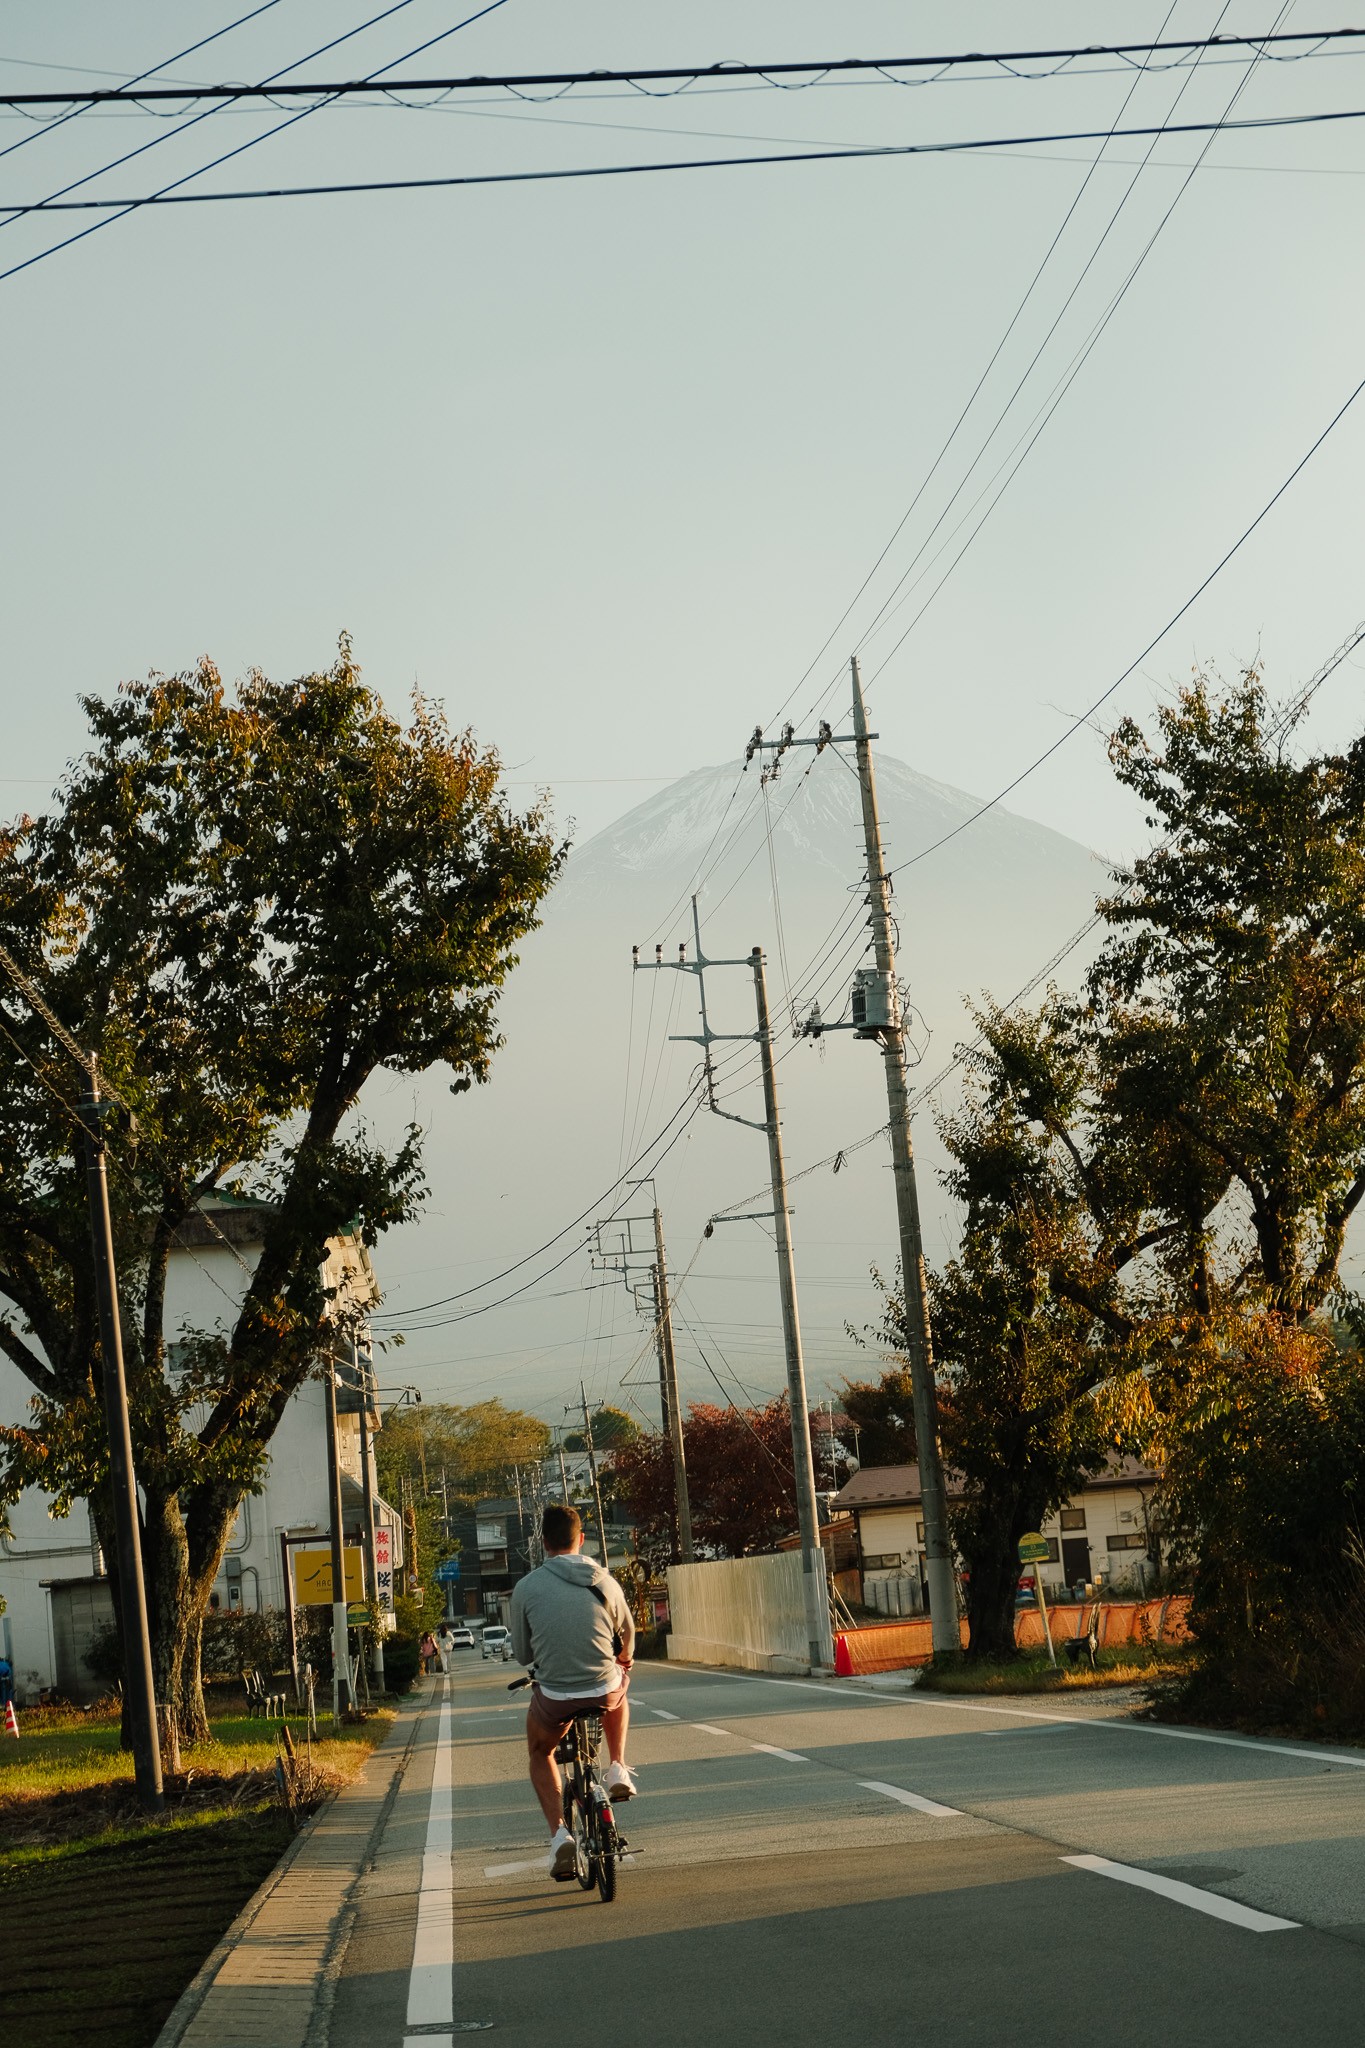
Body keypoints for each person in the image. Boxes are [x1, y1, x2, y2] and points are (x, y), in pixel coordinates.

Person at [510, 1502, 636, 1880]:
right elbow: (627, 1637)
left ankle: (560, 1835)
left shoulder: (526, 1588)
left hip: (556, 1698)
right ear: (582, 1540)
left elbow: (522, 1654)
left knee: (540, 1750)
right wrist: (623, 1659)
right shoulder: (605, 1580)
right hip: (603, 1690)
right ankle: (617, 1768)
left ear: (543, 1543)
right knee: (619, 1685)